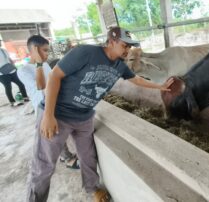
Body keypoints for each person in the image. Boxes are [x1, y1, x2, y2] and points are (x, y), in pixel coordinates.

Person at [27, 27, 174, 202]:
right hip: (59, 114)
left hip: (84, 117)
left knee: (88, 157)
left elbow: (136, 80)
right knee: (44, 166)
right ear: (111, 41)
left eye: (129, 47)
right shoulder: (85, 52)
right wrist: (48, 115)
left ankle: (92, 188)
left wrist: (160, 86)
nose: (127, 50)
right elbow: (54, 77)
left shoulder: (120, 65)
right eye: (124, 46)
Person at [18, 35, 79, 170]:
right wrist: (38, 62)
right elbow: (40, 85)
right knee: (52, 134)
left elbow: (53, 81)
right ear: (33, 50)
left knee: (59, 130)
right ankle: (66, 158)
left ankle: (66, 155)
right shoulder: (23, 71)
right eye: (44, 50)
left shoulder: (45, 64)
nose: (47, 54)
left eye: (48, 51)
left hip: (54, 102)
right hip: (42, 108)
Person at [0, 40, 29, 106]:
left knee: (21, 83)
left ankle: (25, 97)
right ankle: (12, 102)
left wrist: (14, 67)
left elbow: (9, 59)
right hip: (2, 74)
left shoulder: (3, 50)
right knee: (8, 87)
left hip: (11, 70)